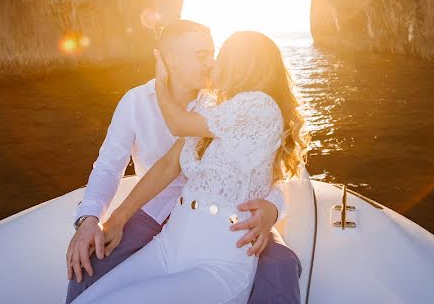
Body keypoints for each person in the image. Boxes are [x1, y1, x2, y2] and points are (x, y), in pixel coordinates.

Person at [70, 29, 308, 304]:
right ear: (171, 59)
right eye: (204, 55)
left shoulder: (251, 106)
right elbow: (157, 164)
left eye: (217, 54)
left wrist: (273, 206)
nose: (212, 63)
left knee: (281, 265)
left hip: (221, 246)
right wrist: (108, 219)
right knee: (85, 287)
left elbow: (270, 170)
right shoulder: (169, 103)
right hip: (169, 236)